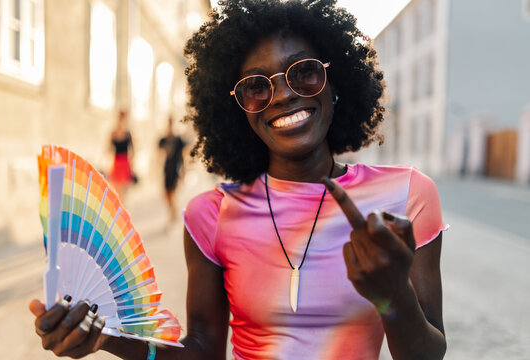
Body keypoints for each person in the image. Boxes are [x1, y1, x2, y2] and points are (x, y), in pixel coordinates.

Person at [29, 1, 448, 359]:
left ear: (334, 83)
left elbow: (428, 352)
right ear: (239, 111)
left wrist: (393, 293)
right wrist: (108, 337)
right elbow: (203, 351)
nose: (282, 95)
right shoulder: (211, 215)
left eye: (303, 72)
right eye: (255, 87)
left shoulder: (406, 196)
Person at [158, 116, 186, 220]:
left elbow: (183, 156)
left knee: (173, 192)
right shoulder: (163, 140)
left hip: (176, 169)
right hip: (166, 169)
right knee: (166, 193)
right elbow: (159, 155)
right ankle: (172, 209)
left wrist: (183, 171)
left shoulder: (178, 140)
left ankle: (173, 212)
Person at [109, 110, 135, 199]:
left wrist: (131, 165)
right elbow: (109, 149)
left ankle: (121, 211)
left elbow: (133, 150)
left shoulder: (128, 134)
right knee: (117, 191)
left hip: (125, 163)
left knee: (123, 193)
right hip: (116, 163)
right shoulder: (113, 133)